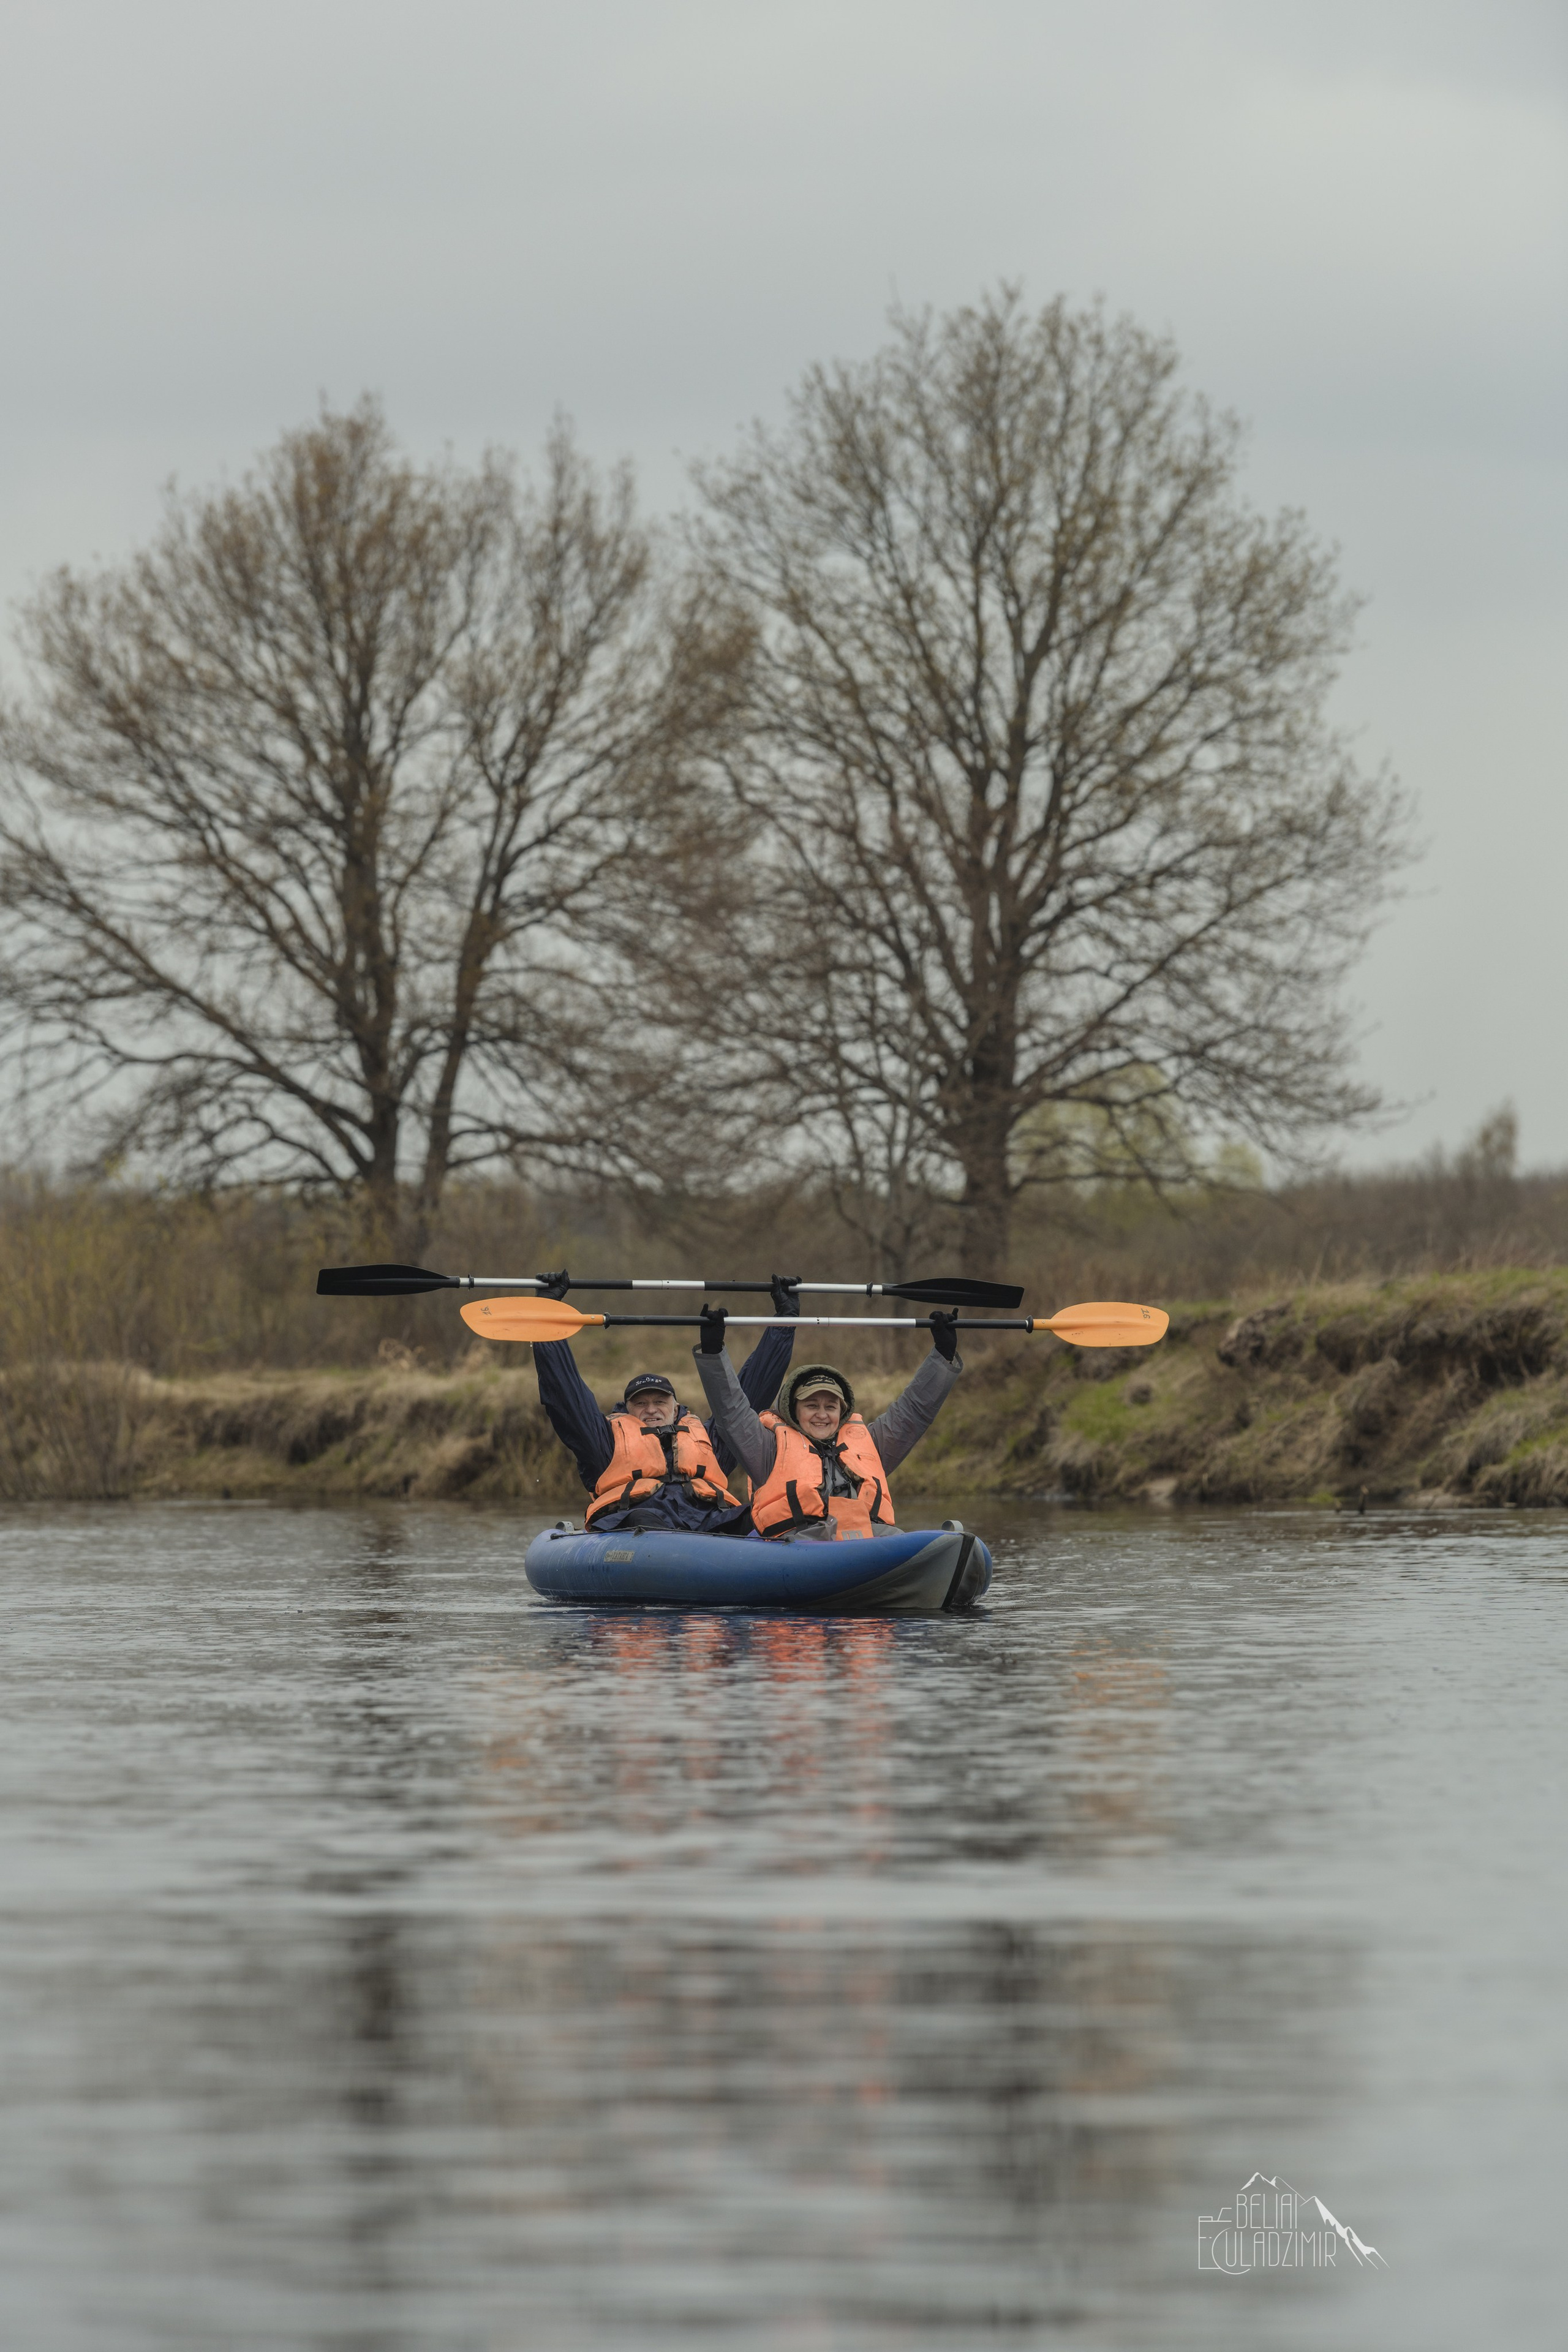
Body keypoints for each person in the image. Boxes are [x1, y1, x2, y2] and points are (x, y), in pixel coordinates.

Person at [532, 1275, 799, 1534]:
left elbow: (751, 1391)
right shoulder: (604, 1440)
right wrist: (548, 1309)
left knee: (762, 1514)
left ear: (676, 1408)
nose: (651, 1409)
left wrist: (785, 1319)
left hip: (709, 1520)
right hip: (638, 1522)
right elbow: (566, 1392)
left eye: (660, 1401)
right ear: (626, 1410)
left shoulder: (708, 1439)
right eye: (641, 1403)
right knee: (646, 1519)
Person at [693, 1303, 962, 1540]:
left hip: (872, 1539)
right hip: (800, 1544)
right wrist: (714, 1352)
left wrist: (943, 1355)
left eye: (830, 1407)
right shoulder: (768, 1449)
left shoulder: (871, 1444)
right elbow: (732, 1413)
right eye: (811, 1406)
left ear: (841, 1411)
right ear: (793, 1411)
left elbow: (913, 1412)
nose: (822, 1414)